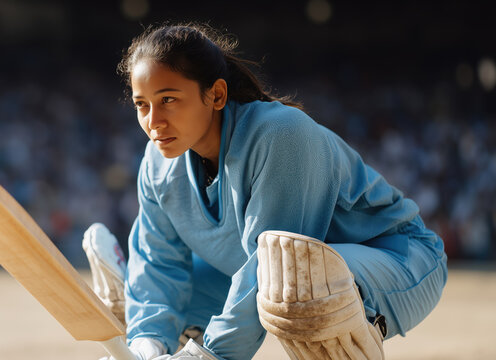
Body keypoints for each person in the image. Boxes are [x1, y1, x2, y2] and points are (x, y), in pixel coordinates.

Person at [83, 23, 448, 360]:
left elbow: (267, 263)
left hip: (399, 259)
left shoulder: (281, 135)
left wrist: (209, 356)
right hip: (276, 271)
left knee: (297, 278)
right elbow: (160, 264)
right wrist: (145, 347)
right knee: (157, 291)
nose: (153, 122)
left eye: (169, 100)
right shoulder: (158, 161)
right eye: (141, 105)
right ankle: (149, 330)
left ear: (217, 95)